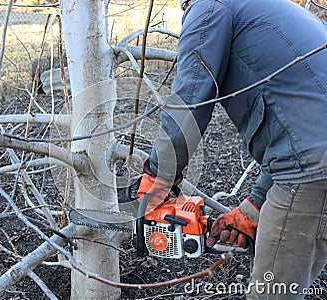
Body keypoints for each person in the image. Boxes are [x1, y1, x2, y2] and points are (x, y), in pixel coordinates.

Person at [137, 0, 327, 298]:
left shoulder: (210, 6)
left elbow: (190, 98)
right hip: (311, 162)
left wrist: (159, 177)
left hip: (312, 174)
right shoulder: (269, 7)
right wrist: (254, 206)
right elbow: (300, 128)